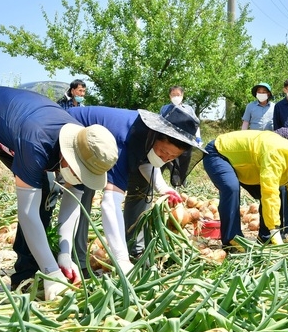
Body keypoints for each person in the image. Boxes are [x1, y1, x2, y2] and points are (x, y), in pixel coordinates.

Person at [0, 87, 118, 300]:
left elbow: (70, 210)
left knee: (46, 195)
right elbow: (27, 213)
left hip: (14, 140)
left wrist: (64, 254)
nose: (79, 177)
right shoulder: (38, 139)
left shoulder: (90, 153)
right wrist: (51, 270)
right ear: (68, 152)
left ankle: (25, 278)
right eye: (77, 171)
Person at [66, 105, 206, 272]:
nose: (166, 158)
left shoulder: (147, 137)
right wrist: (121, 260)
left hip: (111, 142)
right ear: (155, 136)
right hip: (74, 132)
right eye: (163, 152)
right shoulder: (124, 139)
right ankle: (77, 260)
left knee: (143, 186)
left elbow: (145, 162)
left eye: (173, 156)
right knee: (84, 189)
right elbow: (110, 203)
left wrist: (164, 189)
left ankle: (134, 247)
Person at [203, 130, 288, 249]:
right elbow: (270, 192)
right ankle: (232, 240)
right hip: (219, 153)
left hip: (249, 167)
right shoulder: (277, 153)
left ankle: (265, 237)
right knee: (231, 187)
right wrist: (274, 229)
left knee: (281, 190)